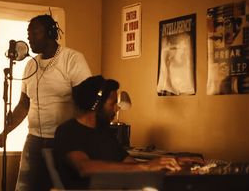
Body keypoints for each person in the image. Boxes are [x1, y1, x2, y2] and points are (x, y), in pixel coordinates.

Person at [0, 14, 92, 191]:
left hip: (63, 141)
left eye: (34, 33)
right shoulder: (30, 65)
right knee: (25, 187)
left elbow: (86, 101)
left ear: (50, 32)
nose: (29, 38)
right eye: (28, 34)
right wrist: (5, 133)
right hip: (34, 140)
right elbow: (23, 105)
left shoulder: (72, 59)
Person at [54, 75, 204, 189]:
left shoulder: (104, 133)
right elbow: (84, 168)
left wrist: (172, 162)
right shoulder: (68, 131)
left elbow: (129, 163)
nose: (117, 108)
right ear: (96, 105)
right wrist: (146, 167)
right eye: (112, 104)